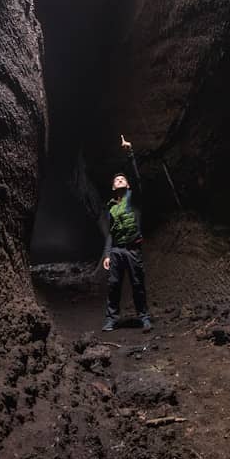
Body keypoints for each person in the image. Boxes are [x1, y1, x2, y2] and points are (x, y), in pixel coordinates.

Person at [102, 135, 152, 332]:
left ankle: (144, 317)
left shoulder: (134, 198)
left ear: (128, 185)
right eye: (117, 179)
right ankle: (111, 319)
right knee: (114, 285)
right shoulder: (111, 207)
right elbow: (110, 233)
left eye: (123, 179)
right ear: (114, 187)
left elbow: (136, 176)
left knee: (137, 284)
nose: (120, 179)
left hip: (132, 250)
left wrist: (129, 152)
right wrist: (107, 254)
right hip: (116, 251)